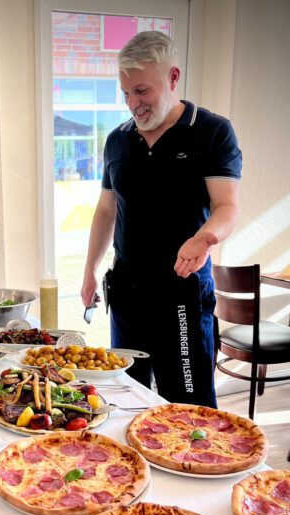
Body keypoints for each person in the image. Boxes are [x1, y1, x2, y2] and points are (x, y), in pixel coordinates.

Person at [80, 31, 242, 408]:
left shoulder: (212, 132)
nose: (132, 104)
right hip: (128, 295)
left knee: (188, 408)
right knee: (126, 399)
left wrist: (204, 238)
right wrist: (90, 269)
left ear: (172, 77)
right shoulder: (118, 140)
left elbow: (227, 207)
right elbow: (106, 210)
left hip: (181, 294)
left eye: (141, 91)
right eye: (126, 93)